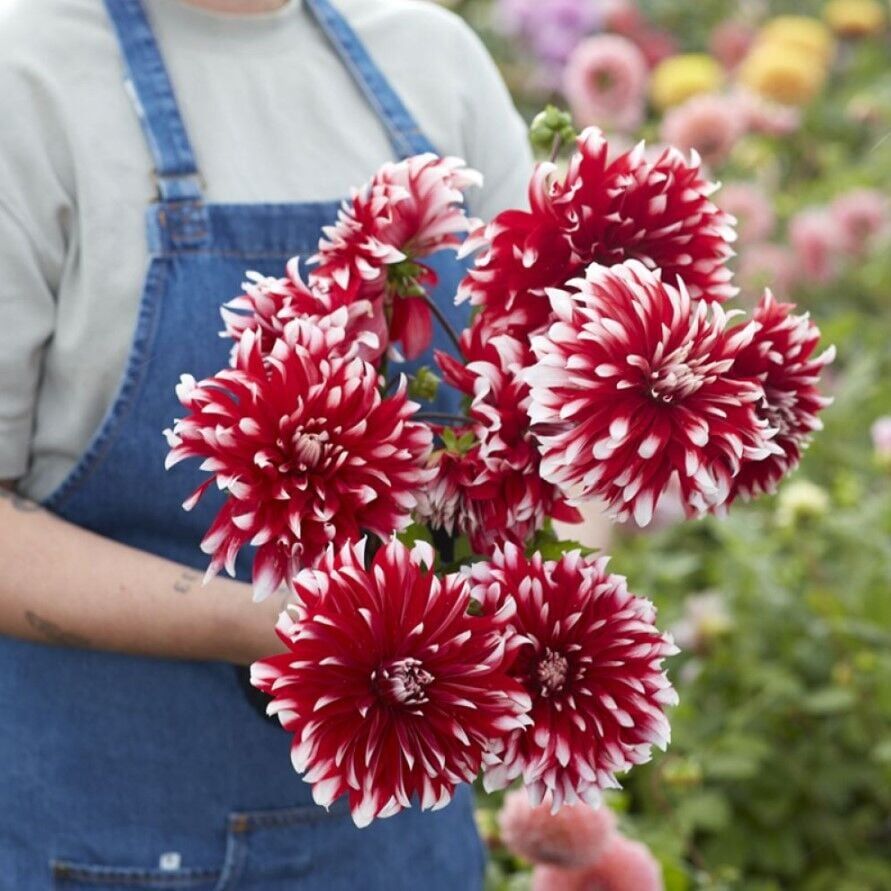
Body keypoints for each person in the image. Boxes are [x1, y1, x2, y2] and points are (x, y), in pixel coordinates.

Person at [0, 0, 532, 886]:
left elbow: (554, 418)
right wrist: (301, 630)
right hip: (106, 836)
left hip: (404, 839)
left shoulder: (433, 59)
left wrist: (536, 607)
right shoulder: (27, 74)